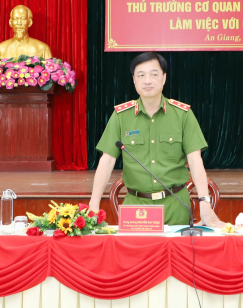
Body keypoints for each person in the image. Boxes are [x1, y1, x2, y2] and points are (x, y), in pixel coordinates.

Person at [89, 52, 225, 227]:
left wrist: (204, 203)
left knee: (176, 254)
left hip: (175, 205)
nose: (147, 80)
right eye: (141, 75)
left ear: (164, 79)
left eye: (154, 74)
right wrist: (93, 204)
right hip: (136, 209)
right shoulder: (121, 116)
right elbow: (106, 161)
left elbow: (195, 160)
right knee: (134, 254)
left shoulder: (182, 114)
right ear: (134, 81)